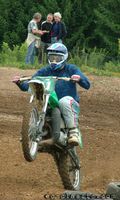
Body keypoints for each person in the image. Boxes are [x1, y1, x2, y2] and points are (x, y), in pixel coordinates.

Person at [13, 43, 90, 146]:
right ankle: (28, 132)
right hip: (50, 102)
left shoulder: (71, 69)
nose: (54, 61)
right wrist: (19, 82)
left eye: (57, 58)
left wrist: (79, 78)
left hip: (69, 104)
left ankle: (73, 131)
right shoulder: (45, 70)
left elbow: (87, 85)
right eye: (52, 58)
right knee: (38, 101)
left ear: (64, 57)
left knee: (64, 101)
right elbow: (32, 84)